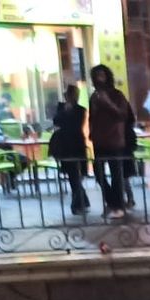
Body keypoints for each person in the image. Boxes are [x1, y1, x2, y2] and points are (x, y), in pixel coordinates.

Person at [88, 63, 136, 219]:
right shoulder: (94, 97)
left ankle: (118, 205)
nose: (99, 79)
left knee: (116, 174)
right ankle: (113, 202)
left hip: (115, 140)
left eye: (102, 75)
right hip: (99, 140)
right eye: (96, 76)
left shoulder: (117, 95)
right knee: (99, 173)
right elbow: (92, 117)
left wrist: (108, 103)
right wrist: (91, 132)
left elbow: (123, 115)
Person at [50, 82, 90, 215]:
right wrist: (65, 111)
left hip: (77, 144)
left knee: (78, 174)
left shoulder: (81, 110)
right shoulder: (61, 108)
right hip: (65, 145)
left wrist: (69, 113)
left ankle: (79, 202)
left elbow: (77, 125)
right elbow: (56, 121)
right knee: (72, 175)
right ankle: (79, 202)